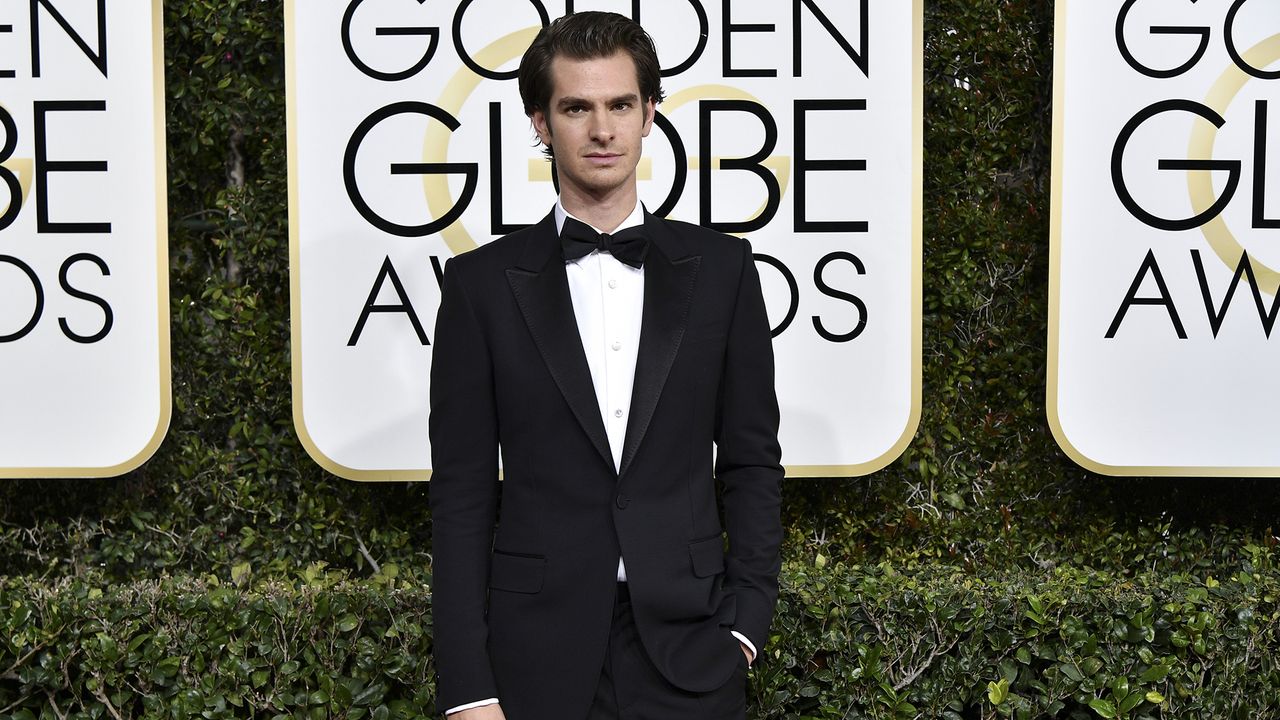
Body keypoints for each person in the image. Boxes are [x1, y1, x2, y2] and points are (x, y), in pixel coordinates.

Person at [429, 11, 783, 720]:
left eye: (621, 105)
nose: (602, 130)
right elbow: (462, 495)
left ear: (649, 114)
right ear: (540, 121)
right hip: (535, 656)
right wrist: (468, 684)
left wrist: (745, 625)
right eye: (576, 108)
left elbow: (751, 461)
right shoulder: (480, 287)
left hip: (692, 649)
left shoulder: (723, 270)